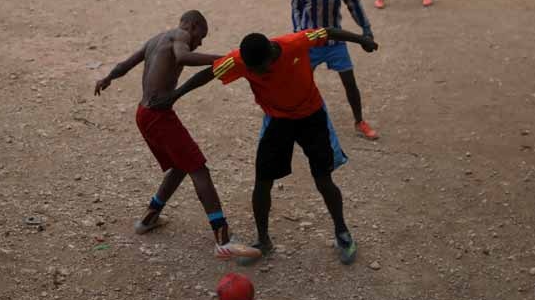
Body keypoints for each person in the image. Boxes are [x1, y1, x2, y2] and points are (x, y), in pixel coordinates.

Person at [156, 24, 378, 266]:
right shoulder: (241, 61)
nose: (254, 73)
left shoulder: (295, 43)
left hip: (312, 118)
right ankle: (263, 241)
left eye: (258, 69)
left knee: (323, 180)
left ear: (272, 55)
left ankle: (342, 232)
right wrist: (175, 95)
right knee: (262, 183)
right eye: (251, 69)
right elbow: (208, 74)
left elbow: (329, 31)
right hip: (278, 121)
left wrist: (362, 39)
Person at [94, 11, 259, 261]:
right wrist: (223, 58)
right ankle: (223, 240)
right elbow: (183, 56)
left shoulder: (155, 40)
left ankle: (149, 218)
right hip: (158, 116)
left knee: (181, 166)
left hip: (144, 113)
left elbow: (125, 65)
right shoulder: (180, 36)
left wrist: (107, 77)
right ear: (192, 25)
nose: (199, 43)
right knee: (199, 169)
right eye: (201, 36)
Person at [292, 0, 379, 140]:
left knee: (350, 82)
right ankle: (295, 120)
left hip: (335, 43)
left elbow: (354, 6)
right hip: (310, 43)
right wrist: (298, 33)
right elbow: (296, 8)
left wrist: (366, 29)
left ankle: (359, 121)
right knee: (301, 84)